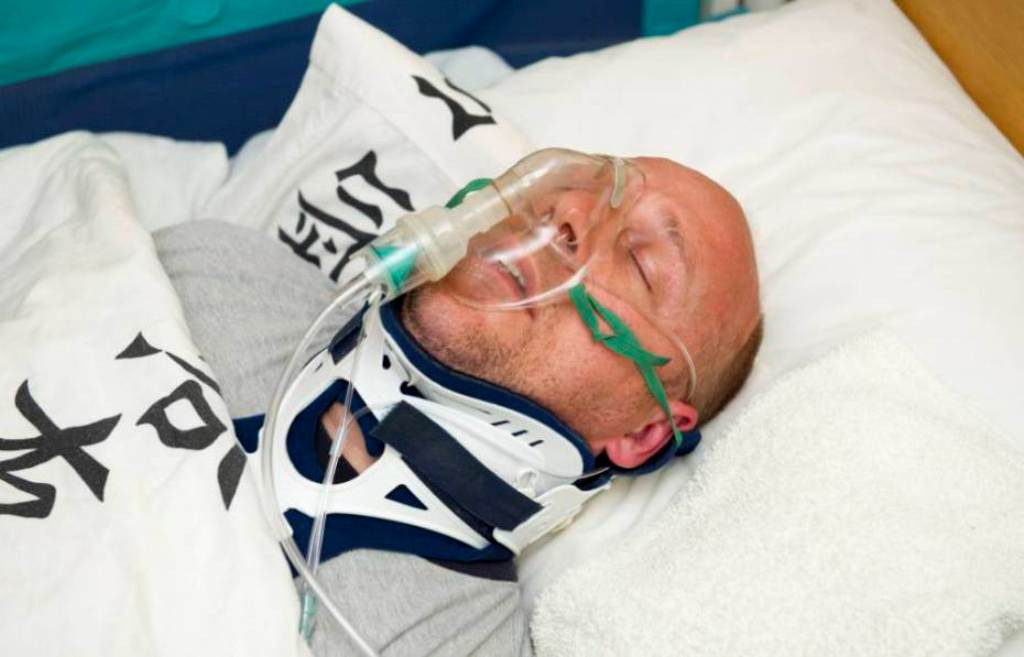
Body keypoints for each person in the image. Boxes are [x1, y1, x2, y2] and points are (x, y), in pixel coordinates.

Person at [154, 154, 762, 656]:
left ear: (642, 434)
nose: (569, 211)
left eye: (642, 263)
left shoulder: (457, 640)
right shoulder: (217, 270)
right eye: (589, 187)